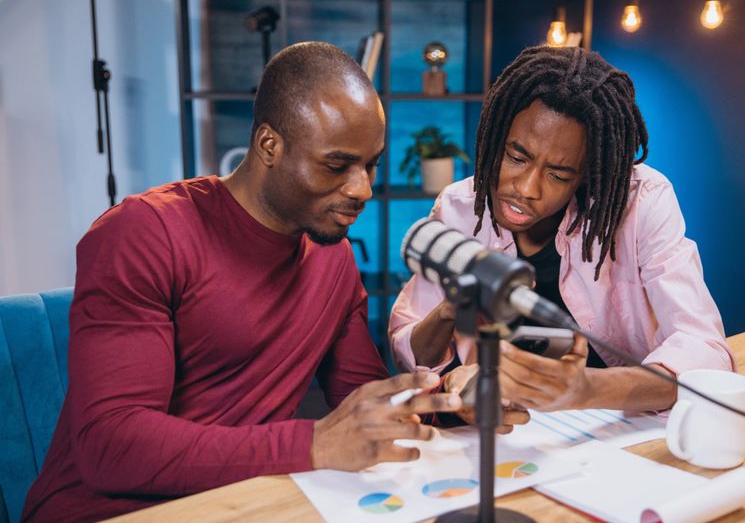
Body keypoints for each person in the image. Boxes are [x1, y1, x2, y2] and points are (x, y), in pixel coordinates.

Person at [22, 42, 472, 522]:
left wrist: (453, 398)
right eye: (336, 165)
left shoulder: (333, 258)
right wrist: (315, 443)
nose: (362, 189)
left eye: (371, 164)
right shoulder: (143, 233)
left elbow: (365, 403)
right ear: (269, 146)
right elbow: (112, 447)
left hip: (236, 503)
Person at [389, 45, 735, 414]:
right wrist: (448, 312)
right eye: (516, 157)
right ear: (493, 137)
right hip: (510, 428)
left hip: (617, 422)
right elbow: (410, 351)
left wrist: (584, 389)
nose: (527, 189)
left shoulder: (642, 202)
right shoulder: (459, 209)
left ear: (586, 175)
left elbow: (705, 350)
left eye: (558, 175)